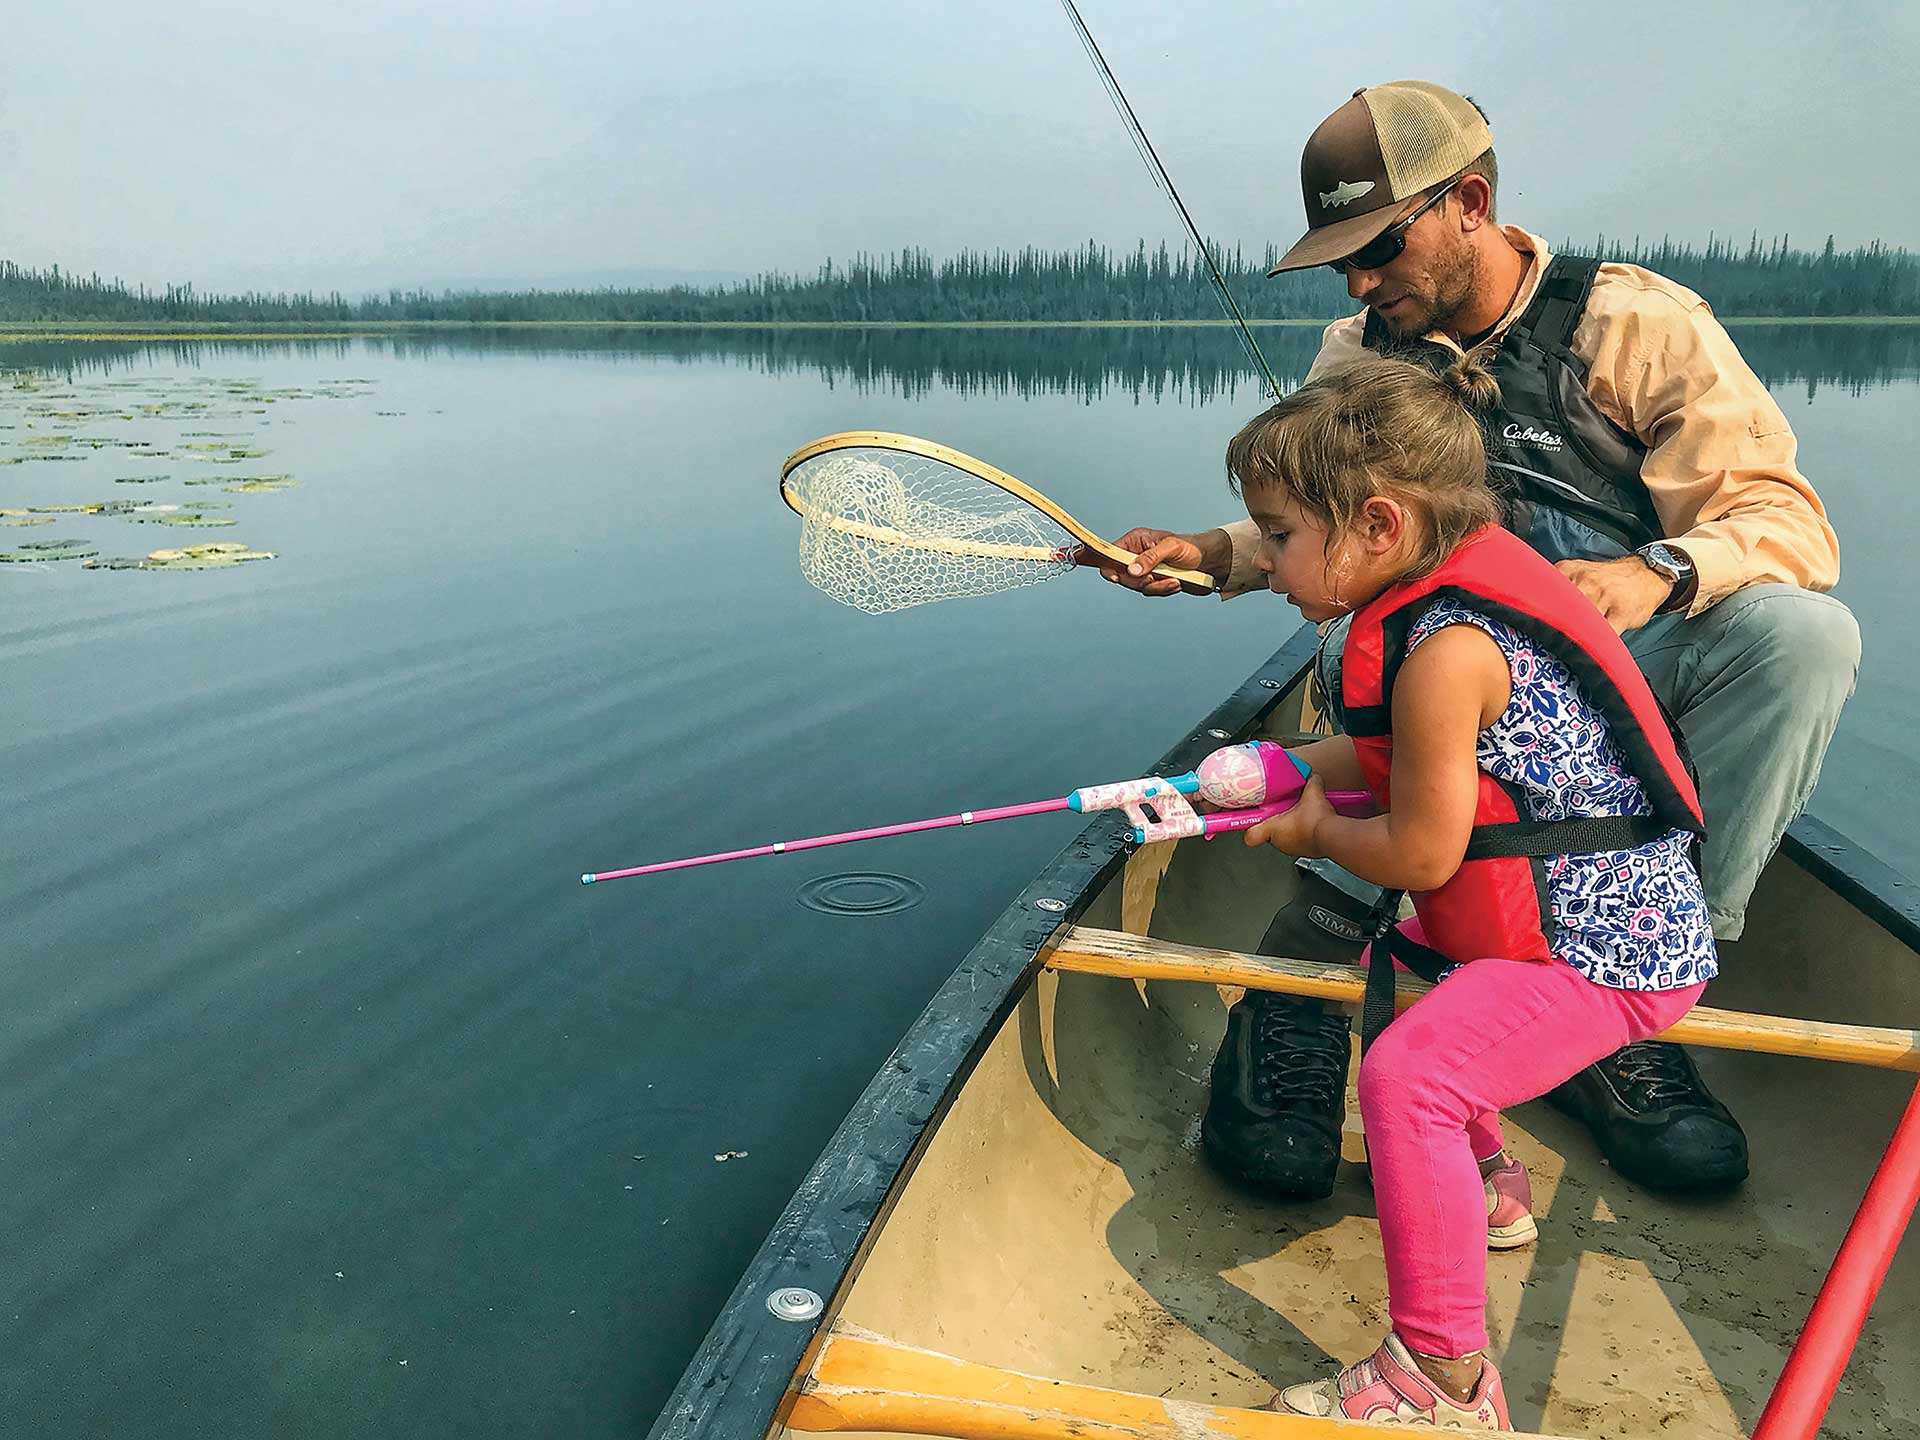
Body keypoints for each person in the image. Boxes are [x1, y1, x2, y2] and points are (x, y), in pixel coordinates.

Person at [1095, 79, 1857, 1199]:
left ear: (1469, 201)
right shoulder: (1360, 351)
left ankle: (1635, 979)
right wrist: (1210, 555)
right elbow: (1307, 526)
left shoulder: (1634, 325)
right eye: (1342, 261)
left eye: (1378, 249)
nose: (1358, 285)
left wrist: (1659, 573)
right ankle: (1314, 964)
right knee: (1354, 650)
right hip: (1418, 678)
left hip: (1595, 689)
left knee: (1802, 639)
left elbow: (1784, 521)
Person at [1224, 352, 1715, 1427]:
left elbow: (1421, 856)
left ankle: (1442, 1376)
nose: (1267, 560)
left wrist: (1307, 828)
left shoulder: (1447, 649)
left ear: (1380, 528)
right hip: (1589, 919)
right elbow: (1385, 757)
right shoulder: (1429, 610)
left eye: (1278, 535)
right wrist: (1279, 770)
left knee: (1410, 1075)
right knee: (1421, 994)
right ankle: (1492, 1183)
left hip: (1607, 953)